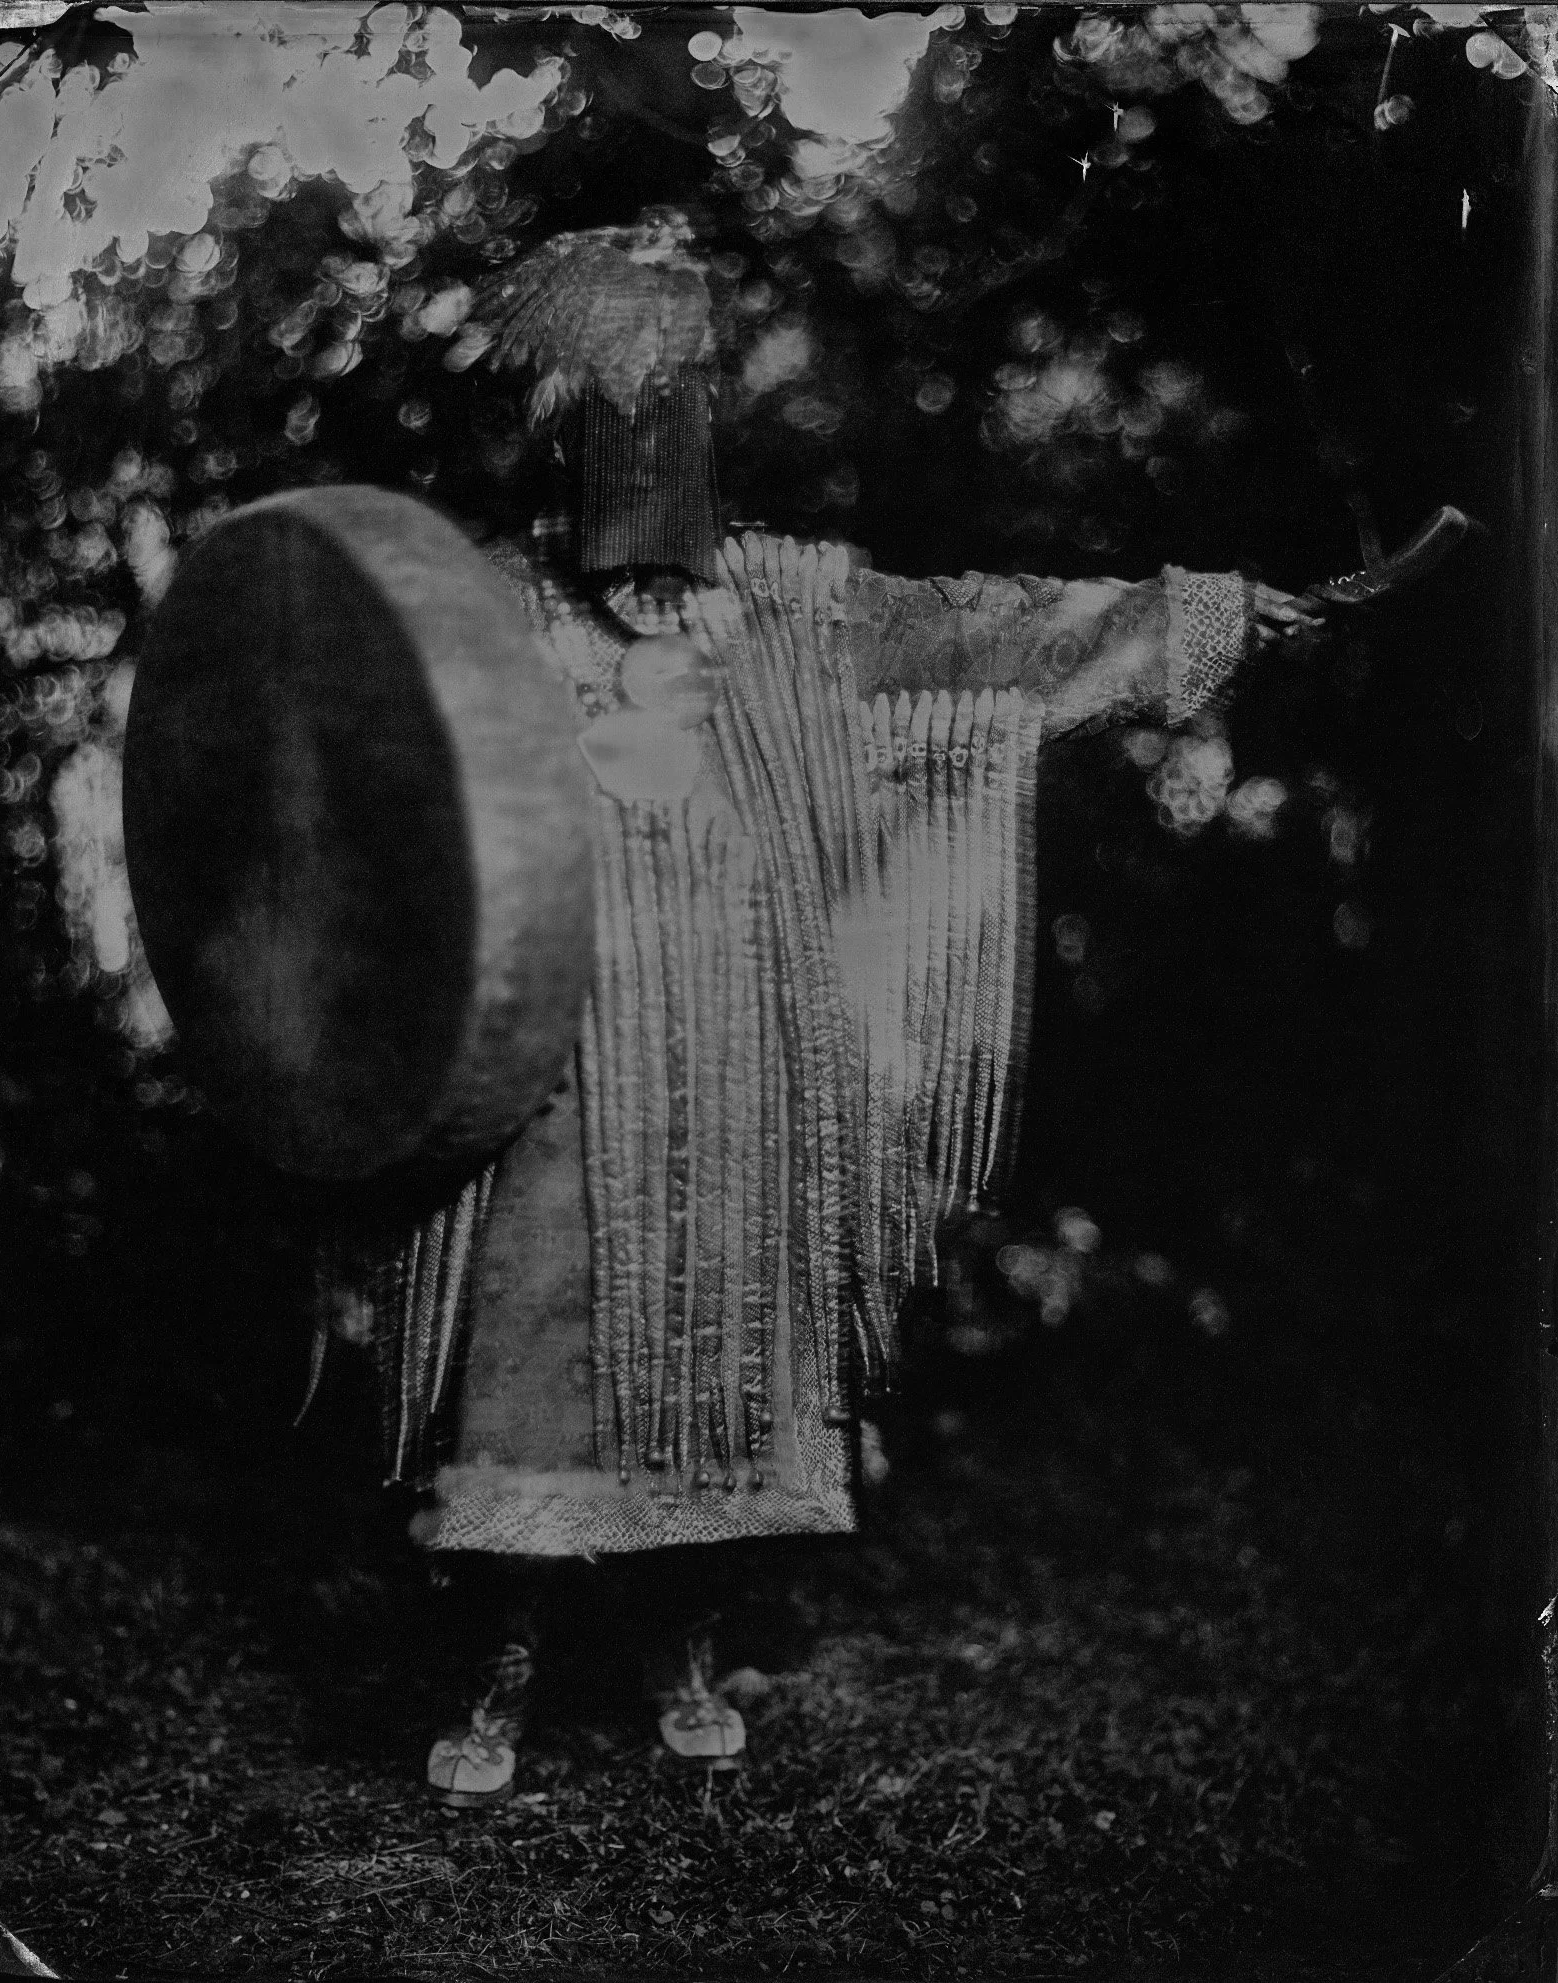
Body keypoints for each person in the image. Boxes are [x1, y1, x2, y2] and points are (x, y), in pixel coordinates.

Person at [307, 221, 1324, 1802]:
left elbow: (995, 625)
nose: (646, 427)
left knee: (720, 1325)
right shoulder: (482, 608)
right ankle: (500, 1654)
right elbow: (357, 783)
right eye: (609, 399)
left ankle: (678, 1643)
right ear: (555, 426)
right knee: (536, 1329)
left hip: (742, 1035)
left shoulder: (788, 604)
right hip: (556, 1044)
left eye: (676, 399)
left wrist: (1199, 608)